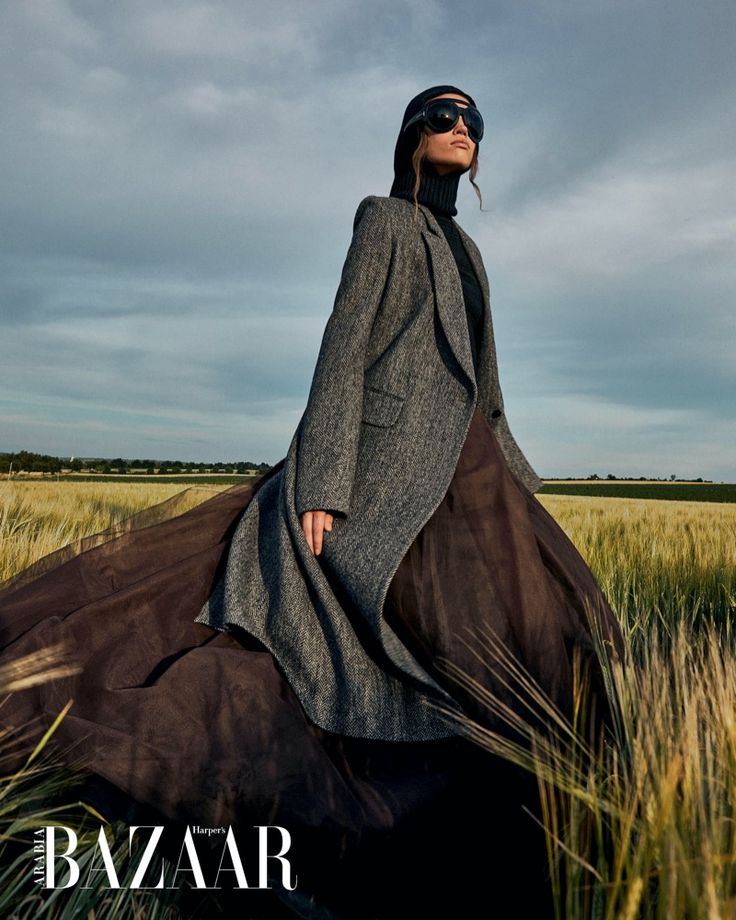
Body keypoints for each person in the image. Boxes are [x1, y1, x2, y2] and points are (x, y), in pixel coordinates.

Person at [0, 85, 626, 918]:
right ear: (410, 137)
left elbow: (484, 376)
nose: (464, 130)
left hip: (465, 460)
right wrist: (325, 483)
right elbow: (344, 347)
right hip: (379, 461)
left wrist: (509, 464)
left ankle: (554, 781)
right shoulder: (382, 220)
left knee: (538, 620)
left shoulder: (468, 251)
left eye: (475, 122)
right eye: (445, 117)